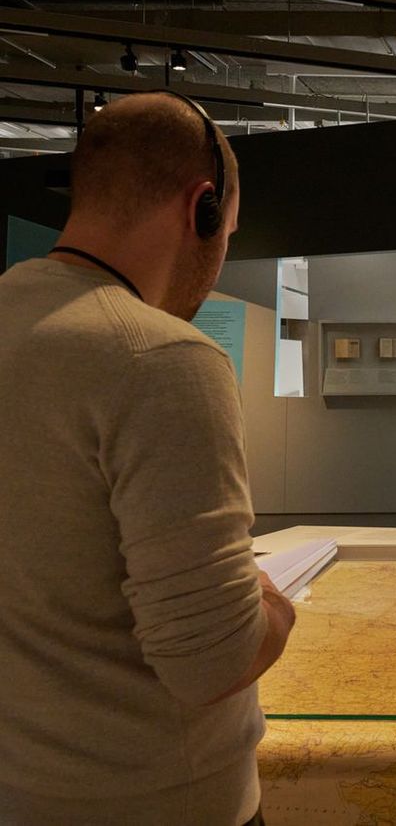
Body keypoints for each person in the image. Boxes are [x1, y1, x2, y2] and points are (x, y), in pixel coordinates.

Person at [0, 92, 295, 825]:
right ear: (201, 209)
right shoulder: (162, 357)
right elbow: (214, 661)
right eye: (225, 232)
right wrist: (275, 607)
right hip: (162, 800)